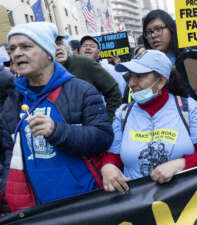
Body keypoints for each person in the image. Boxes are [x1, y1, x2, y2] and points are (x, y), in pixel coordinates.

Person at [0, 22, 113, 212]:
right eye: (12, 49)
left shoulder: (81, 90)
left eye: (26, 46)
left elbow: (103, 137)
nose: (17, 53)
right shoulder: (13, 99)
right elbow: (6, 155)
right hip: (35, 211)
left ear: (48, 52)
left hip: (84, 205)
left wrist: (57, 131)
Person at [100, 50, 197, 192]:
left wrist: (180, 164)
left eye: (139, 77)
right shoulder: (123, 113)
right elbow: (113, 156)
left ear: (161, 81)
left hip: (185, 199)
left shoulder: (189, 109)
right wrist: (108, 167)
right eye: (130, 76)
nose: (131, 83)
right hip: (137, 203)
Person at [55, 36, 122, 119]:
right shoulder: (40, 73)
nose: (58, 48)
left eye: (60, 43)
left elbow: (114, 92)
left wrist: (109, 120)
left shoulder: (85, 63)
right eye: (53, 44)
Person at [142, 9, 197, 100]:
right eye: (148, 32)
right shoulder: (144, 65)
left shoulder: (189, 58)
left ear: (171, 29)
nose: (153, 35)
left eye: (158, 29)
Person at [80, 35, 126, 100]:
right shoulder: (73, 70)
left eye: (92, 46)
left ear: (99, 53)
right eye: (84, 46)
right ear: (79, 51)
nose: (88, 48)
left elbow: (121, 92)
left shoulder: (111, 70)